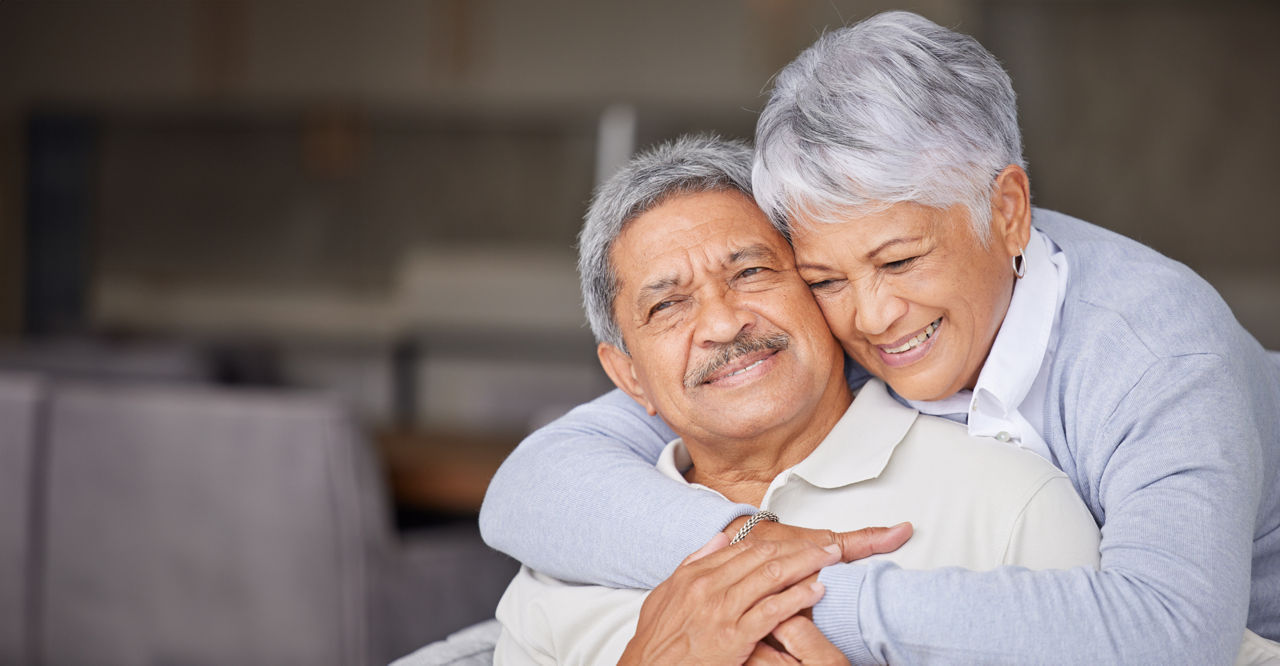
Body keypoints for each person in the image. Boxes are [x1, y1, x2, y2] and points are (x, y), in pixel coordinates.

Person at [480, 11, 1280, 664]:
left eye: (899, 260)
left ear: (1006, 212)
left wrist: (805, 595)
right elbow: (534, 483)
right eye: (824, 277)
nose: (870, 316)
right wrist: (752, 546)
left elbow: (1175, 636)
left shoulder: (1156, 356)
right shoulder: (817, 341)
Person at [493, 135, 1101, 665]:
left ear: (820, 287)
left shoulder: (1011, 505)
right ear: (628, 376)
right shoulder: (563, 566)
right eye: (668, 304)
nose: (725, 324)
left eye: (751, 272)